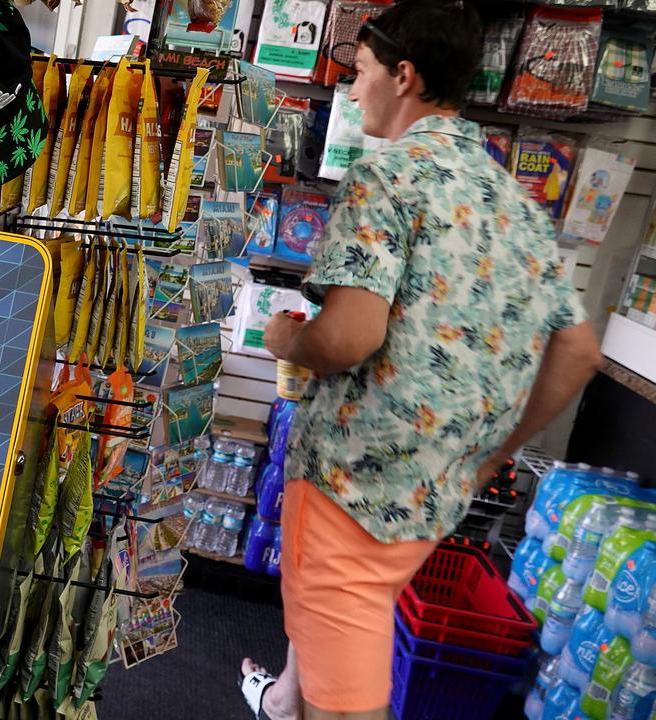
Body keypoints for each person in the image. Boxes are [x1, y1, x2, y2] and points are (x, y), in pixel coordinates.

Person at [237, 1, 605, 719]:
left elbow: (347, 339)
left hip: (353, 485)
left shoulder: (387, 180)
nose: (350, 90)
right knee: (339, 628)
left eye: (361, 72)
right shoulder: (515, 202)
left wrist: (286, 341)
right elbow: (579, 351)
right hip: (433, 491)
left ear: (402, 75)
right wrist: (497, 452)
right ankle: (283, 700)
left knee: (348, 701)